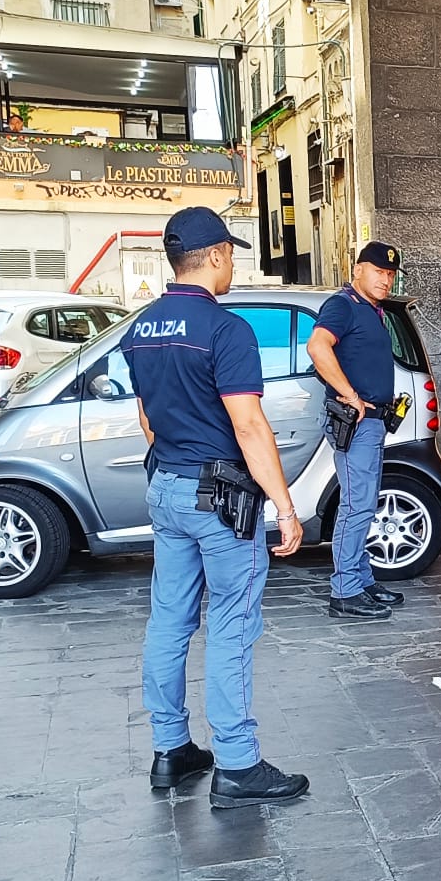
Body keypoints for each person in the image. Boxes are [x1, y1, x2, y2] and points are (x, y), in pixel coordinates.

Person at [123, 206, 310, 809]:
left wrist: (178, 462)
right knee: (231, 624)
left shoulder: (142, 328)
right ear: (215, 255)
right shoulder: (226, 330)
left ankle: (171, 750)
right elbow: (250, 427)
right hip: (220, 499)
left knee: (169, 621)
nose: (233, 262)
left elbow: (149, 419)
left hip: (167, 490)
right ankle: (236, 763)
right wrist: (285, 506)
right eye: (231, 252)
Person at [307, 242, 404, 619]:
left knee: (363, 505)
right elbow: (318, 347)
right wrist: (350, 395)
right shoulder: (343, 305)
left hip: (373, 422)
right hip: (357, 424)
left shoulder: (372, 310)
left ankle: (361, 579)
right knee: (356, 506)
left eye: (391, 274)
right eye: (379, 271)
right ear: (358, 269)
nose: (386, 279)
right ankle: (345, 590)